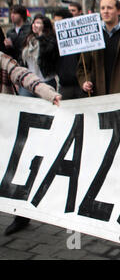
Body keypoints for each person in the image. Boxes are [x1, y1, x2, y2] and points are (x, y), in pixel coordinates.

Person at [1, 51, 61, 236]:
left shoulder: (1, 59)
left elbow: (22, 74)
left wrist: (48, 93)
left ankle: (21, 215)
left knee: (14, 169)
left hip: (6, 125)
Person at [77, 0, 120, 96]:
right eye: (102, 8)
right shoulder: (92, 36)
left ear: (119, 11)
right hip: (99, 96)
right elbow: (83, 67)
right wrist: (85, 81)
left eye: (109, 8)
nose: (105, 11)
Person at [19, 14, 59, 97]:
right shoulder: (28, 39)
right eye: (34, 23)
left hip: (45, 80)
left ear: (44, 25)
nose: (34, 25)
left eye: (38, 23)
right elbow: (22, 59)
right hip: (29, 80)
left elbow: (47, 53)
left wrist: (41, 36)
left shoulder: (50, 40)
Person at [53, 8, 85, 99]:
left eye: (59, 23)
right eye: (55, 23)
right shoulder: (53, 41)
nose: (57, 26)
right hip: (64, 85)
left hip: (81, 85)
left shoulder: (80, 40)